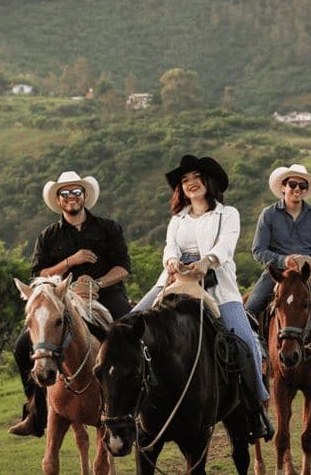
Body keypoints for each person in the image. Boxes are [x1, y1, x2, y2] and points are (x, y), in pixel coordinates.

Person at [131, 154, 274, 443]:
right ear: (181, 189)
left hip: (217, 286)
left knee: (246, 344)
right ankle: (124, 408)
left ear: (208, 182)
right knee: (127, 325)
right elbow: (170, 247)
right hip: (174, 281)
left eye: (196, 178)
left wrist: (207, 262)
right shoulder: (177, 219)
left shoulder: (227, 214)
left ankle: (256, 407)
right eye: (185, 181)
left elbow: (226, 246)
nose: (191, 184)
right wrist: (171, 261)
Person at [9, 170, 132, 437]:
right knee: (22, 348)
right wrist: (70, 262)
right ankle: (36, 413)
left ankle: (141, 405)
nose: (71, 197)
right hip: (61, 299)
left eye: (76, 192)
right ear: (58, 200)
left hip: (106, 293)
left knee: (133, 336)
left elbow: (123, 267)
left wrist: (97, 283)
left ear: (85, 196)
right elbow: (39, 274)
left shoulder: (108, 228)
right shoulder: (48, 236)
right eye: (65, 193)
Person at [245, 164, 311, 400]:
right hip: (277, 275)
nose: (297, 189)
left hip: (308, 276)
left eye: (302, 186)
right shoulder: (269, 214)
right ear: (283, 187)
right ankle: (259, 361)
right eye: (292, 185)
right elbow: (258, 251)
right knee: (249, 311)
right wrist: (286, 260)